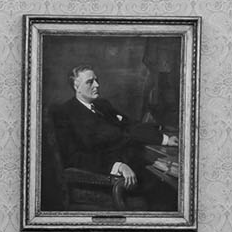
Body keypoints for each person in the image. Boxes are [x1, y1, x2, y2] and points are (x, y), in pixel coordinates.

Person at [47, 66, 178, 211]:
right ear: (76, 86)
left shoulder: (102, 105)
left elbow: (130, 126)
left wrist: (164, 139)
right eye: (90, 82)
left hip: (137, 162)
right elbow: (74, 157)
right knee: (167, 193)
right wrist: (117, 166)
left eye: (96, 80)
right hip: (110, 177)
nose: (97, 85)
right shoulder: (65, 114)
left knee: (171, 183)